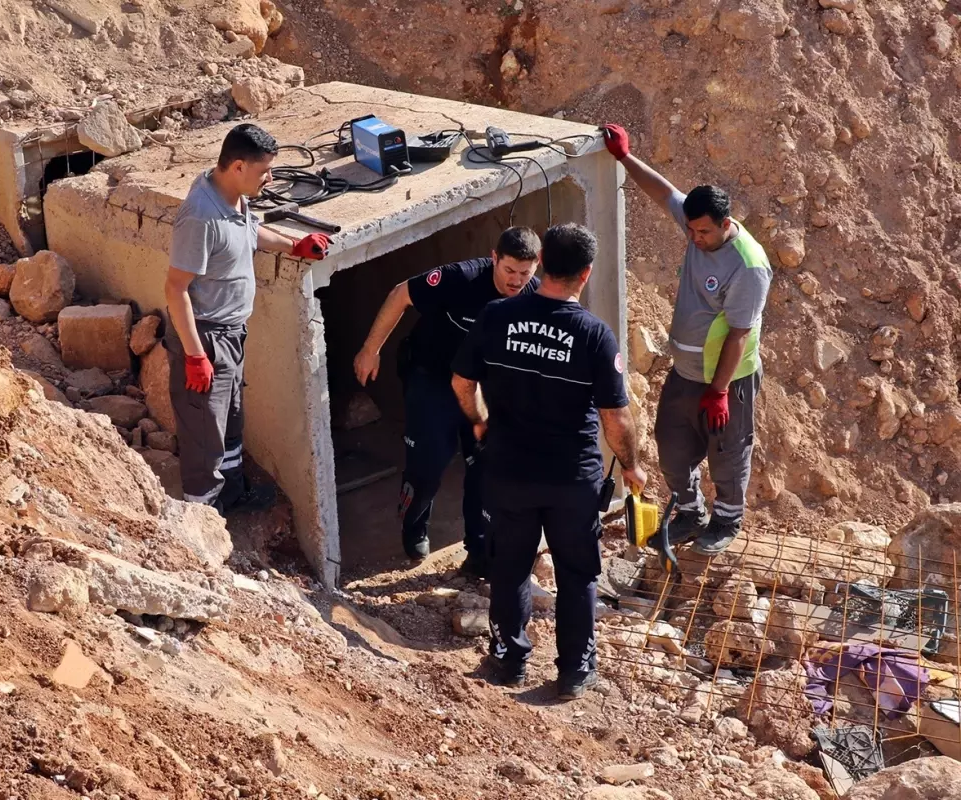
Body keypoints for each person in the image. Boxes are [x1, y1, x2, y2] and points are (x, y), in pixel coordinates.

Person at [452, 223, 647, 697]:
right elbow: (616, 418)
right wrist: (630, 466)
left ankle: (507, 660)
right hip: (571, 479)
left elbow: (462, 383)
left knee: (510, 566)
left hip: (509, 470)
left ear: (541, 263)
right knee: (577, 572)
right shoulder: (594, 335)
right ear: (586, 273)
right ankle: (575, 671)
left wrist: (480, 422)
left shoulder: (497, 316)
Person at [602, 123, 772, 555]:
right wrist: (624, 157)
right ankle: (690, 513)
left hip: (726, 380)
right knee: (673, 446)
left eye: (703, 233)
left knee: (727, 454)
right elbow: (663, 193)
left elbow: (738, 334)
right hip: (685, 372)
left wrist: (718, 392)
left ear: (726, 223)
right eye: (691, 231)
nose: (695, 239)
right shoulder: (697, 224)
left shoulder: (748, 266)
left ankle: (726, 521)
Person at [164, 123, 332, 515]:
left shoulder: (236, 198)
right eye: (264, 171)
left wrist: (294, 245)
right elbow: (175, 290)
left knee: (231, 421)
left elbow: (251, 232)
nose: (270, 178)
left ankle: (234, 494)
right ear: (237, 166)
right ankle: (204, 518)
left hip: (232, 333)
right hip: (206, 337)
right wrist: (194, 355)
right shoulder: (200, 217)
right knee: (205, 434)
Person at [352, 228, 542, 575]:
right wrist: (371, 349)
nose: (516, 281)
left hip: (483, 388)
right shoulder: (461, 278)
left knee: (485, 466)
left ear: (536, 266)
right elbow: (401, 294)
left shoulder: (534, 296)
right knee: (428, 462)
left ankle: (479, 549)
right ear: (494, 258)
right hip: (434, 377)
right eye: (509, 271)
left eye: (524, 274)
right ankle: (414, 522)